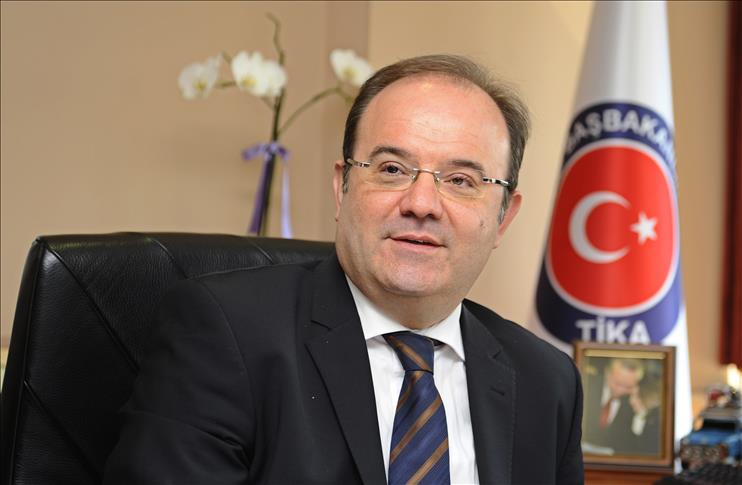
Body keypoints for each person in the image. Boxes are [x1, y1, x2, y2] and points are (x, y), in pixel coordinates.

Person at [104, 55, 583, 485]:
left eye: (461, 180)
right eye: (392, 169)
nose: (421, 203)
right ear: (342, 188)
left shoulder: (546, 381)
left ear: (504, 218)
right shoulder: (225, 334)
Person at [582, 357, 657, 456]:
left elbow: (639, 446)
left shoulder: (633, 403)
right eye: (617, 383)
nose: (620, 390)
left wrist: (640, 415)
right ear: (607, 373)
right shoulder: (587, 385)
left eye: (628, 386)